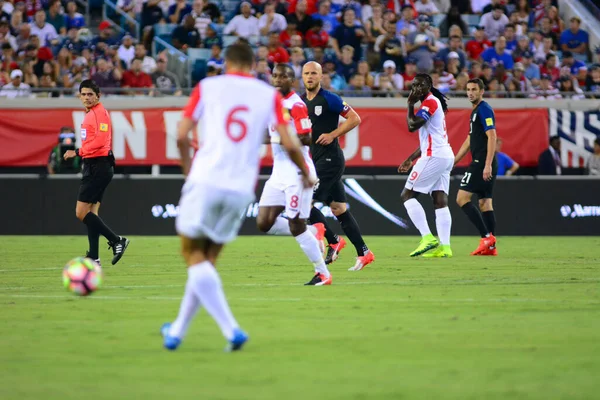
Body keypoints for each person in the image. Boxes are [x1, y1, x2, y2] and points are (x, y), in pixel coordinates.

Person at [160, 43, 315, 351]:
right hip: (241, 188)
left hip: (207, 178)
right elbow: (291, 142)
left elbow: (180, 135)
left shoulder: (208, 86)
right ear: (252, 65)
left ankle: (231, 329)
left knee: (192, 255)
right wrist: (307, 174)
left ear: (226, 62)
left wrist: (188, 170)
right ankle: (177, 330)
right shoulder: (268, 96)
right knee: (208, 261)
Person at [256, 63, 331, 286]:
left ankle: (323, 273)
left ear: (292, 81)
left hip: (298, 172)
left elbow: (307, 138)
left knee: (294, 225)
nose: (277, 80)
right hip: (278, 173)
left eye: (283, 77)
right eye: (275, 76)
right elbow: (267, 133)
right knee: (263, 223)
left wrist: (278, 138)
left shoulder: (296, 105)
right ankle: (312, 231)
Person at [300, 61, 375, 271]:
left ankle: (333, 241)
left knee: (305, 202)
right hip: (315, 161)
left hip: (331, 161)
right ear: (302, 76)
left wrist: (333, 134)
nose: (310, 77)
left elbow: (355, 118)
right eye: (306, 73)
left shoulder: (330, 99)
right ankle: (364, 252)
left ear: (321, 76)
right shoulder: (300, 101)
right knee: (339, 209)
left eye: (314, 73)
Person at [63, 80, 129, 266]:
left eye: (90, 94)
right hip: (96, 165)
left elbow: (100, 142)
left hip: (98, 166)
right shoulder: (92, 113)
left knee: (81, 212)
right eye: (83, 94)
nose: (86, 97)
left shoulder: (98, 113)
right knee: (92, 212)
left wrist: (76, 152)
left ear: (98, 96)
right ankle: (94, 257)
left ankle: (117, 240)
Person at [398, 73, 454, 258]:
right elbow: (427, 140)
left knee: (407, 195)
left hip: (435, 156)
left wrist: (409, 104)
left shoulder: (429, 102)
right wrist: (410, 158)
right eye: (414, 85)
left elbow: (412, 125)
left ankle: (427, 237)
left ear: (429, 85)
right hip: (444, 155)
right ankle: (445, 247)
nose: (417, 88)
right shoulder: (431, 103)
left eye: (421, 84)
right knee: (439, 200)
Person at [453, 78, 498, 256]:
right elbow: (470, 139)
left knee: (461, 198)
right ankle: (491, 247)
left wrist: (487, 164)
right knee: (485, 203)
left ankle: (486, 237)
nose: (470, 92)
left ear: (481, 92)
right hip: (484, 162)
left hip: (481, 163)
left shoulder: (484, 109)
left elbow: (492, 136)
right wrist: (455, 160)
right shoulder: (476, 111)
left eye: (474, 89)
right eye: (468, 89)